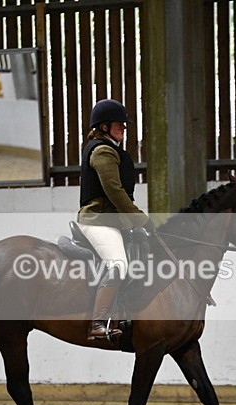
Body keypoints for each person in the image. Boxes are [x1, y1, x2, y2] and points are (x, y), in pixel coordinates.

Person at [78, 99, 152, 340]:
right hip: (97, 221)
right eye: (119, 124)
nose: (124, 127)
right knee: (118, 265)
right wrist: (140, 219)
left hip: (113, 222)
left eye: (124, 124)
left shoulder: (111, 148)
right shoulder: (102, 151)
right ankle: (96, 323)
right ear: (103, 127)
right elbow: (114, 191)